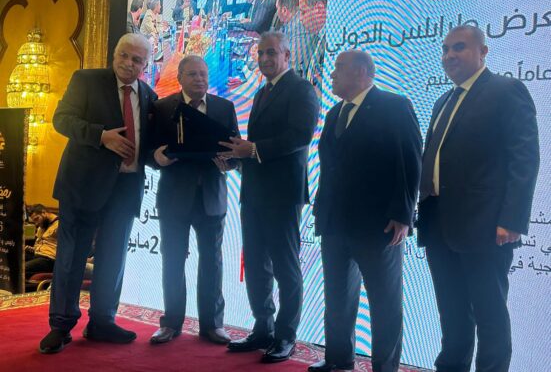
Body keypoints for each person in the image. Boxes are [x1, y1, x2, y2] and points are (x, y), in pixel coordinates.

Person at [417, 25, 539, 372]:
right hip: (438, 223)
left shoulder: (506, 91)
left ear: (483, 52)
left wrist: (512, 219)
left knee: (489, 316)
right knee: (452, 312)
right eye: (445, 49)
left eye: (459, 48)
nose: (449, 56)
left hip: (485, 226)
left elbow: (524, 158)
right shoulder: (443, 100)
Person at [39, 33, 158, 354]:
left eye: (136, 60)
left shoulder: (149, 96)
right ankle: (61, 326)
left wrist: (160, 157)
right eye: (123, 55)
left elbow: (146, 145)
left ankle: (102, 321)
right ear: (114, 54)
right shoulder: (87, 80)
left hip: (126, 190)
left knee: (113, 258)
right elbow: (62, 119)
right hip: (83, 186)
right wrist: (101, 136)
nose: (128, 63)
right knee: (71, 258)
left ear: (146, 64)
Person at [309, 50, 422, 372]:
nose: (332, 74)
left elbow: (410, 161)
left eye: (339, 68)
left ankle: (384, 368)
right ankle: (338, 359)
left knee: (384, 303)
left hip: (379, 225)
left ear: (361, 72)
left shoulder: (394, 106)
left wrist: (403, 215)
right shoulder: (335, 113)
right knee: (337, 297)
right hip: (334, 223)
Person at [220, 31, 319, 363]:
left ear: (287, 56)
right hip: (254, 192)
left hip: (282, 194)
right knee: (256, 265)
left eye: (271, 53)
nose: (264, 59)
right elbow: (256, 146)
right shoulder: (263, 92)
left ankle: (286, 335)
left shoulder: (301, 89)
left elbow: (300, 136)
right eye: (260, 53)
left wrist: (253, 150)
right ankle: (263, 328)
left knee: (285, 267)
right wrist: (236, 157)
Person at [149, 55, 239, 346]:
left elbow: (235, 152)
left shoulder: (225, 108)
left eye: (203, 74)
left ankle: (213, 325)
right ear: (180, 78)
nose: (200, 79)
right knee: (173, 260)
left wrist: (230, 163)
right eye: (193, 74)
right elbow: (150, 151)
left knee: (212, 262)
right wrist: (156, 158)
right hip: (174, 198)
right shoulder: (163, 108)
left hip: (212, 197)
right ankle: (171, 323)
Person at [276, 0, 316, 77]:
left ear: (284, 10)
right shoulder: (289, 22)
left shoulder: (300, 28)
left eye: (277, 8)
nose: (276, 12)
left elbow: (291, 69)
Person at [299, 0, 328, 90]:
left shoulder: (334, 42)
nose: (300, 19)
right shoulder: (315, 37)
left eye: (303, 12)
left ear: (319, 9)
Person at [25, 204, 59, 280]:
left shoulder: (60, 225)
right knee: (13, 261)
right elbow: (39, 245)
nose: (36, 223)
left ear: (44, 212)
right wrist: (32, 249)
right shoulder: (42, 226)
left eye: (37, 219)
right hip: (37, 256)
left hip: (49, 259)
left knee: (19, 270)